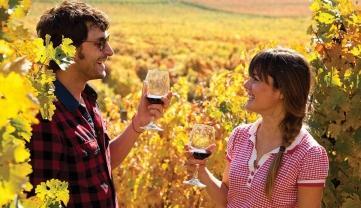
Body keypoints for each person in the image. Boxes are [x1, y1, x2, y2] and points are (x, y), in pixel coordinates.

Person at [28, 1, 171, 207]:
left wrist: (137, 124)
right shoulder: (44, 115)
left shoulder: (86, 98)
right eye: (100, 43)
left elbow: (102, 163)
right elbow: (38, 201)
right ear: (71, 50)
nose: (110, 51)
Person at [185, 48, 329, 207]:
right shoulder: (240, 135)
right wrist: (202, 170)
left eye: (256, 79)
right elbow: (227, 199)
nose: (246, 84)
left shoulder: (310, 154)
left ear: (282, 91)